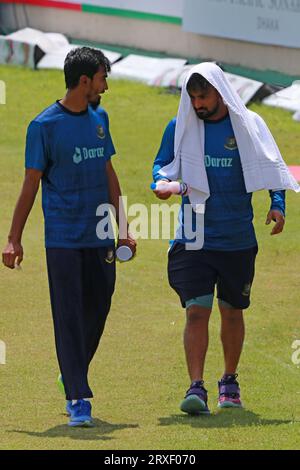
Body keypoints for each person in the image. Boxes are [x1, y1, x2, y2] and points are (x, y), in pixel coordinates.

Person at [152, 62, 299, 415]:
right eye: (193, 98)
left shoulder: (248, 125)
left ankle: (229, 381)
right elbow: (161, 165)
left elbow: (272, 165)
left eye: (204, 97)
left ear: (220, 91)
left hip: (236, 238)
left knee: (232, 312)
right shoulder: (180, 127)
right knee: (196, 312)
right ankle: (196, 387)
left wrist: (277, 204)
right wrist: (161, 184)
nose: (198, 104)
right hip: (194, 237)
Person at [2, 47, 136, 427]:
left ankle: (72, 369)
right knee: (69, 315)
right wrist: (14, 238)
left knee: (99, 306)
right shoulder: (43, 126)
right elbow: (30, 184)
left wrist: (123, 228)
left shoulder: (100, 118)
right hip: (62, 238)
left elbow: (108, 173)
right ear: (84, 81)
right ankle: (78, 395)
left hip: (101, 236)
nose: (105, 86)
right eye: (101, 78)